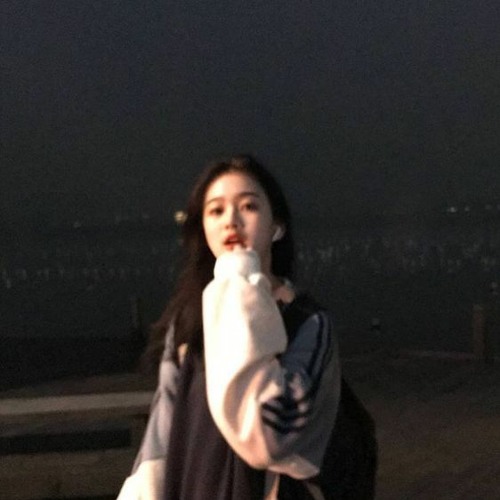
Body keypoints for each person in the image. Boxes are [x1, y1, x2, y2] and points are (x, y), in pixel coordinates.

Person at [117, 154, 374, 499]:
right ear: (203, 229)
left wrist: (238, 279)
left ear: (276, 226)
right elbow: (161, 441)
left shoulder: (309, 322)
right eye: (216, 211)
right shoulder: (189, 322)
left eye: (248, 206)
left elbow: (269, 436)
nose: (231, 221)